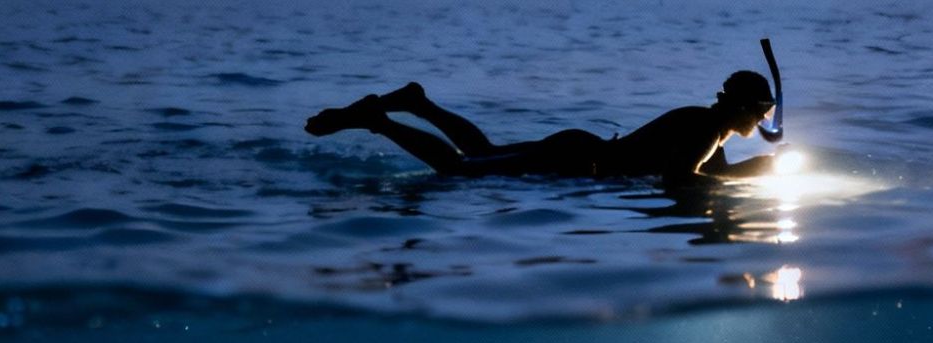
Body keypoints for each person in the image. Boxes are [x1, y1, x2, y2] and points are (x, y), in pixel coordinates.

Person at [304, 72, 782, 184]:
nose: (762, 122)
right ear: (745, 109)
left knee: (482, 152)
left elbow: (703, 170)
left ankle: (420, 104)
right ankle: (380, 122)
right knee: (460, 169)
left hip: (580, 149)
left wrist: (743, 174)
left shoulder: (706, 126)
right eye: (762, 113)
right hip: (576, 160)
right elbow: (680, 181)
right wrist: (753, 174)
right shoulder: (703, 131)